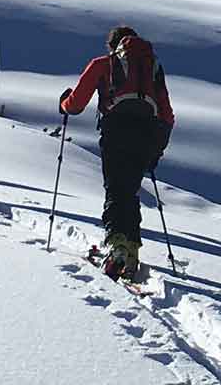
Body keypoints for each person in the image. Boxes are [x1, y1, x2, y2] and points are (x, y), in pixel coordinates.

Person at [58, 25, 174, 280]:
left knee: (115, 189)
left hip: (116, 130)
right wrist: (158, 147)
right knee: (129, 191)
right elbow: (166, 113)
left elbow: (76, 104)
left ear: (113, 45)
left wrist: (63, 103)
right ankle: (131, 250)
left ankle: (118, 248)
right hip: (147, 134)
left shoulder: (104, 63)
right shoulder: (152, 67)